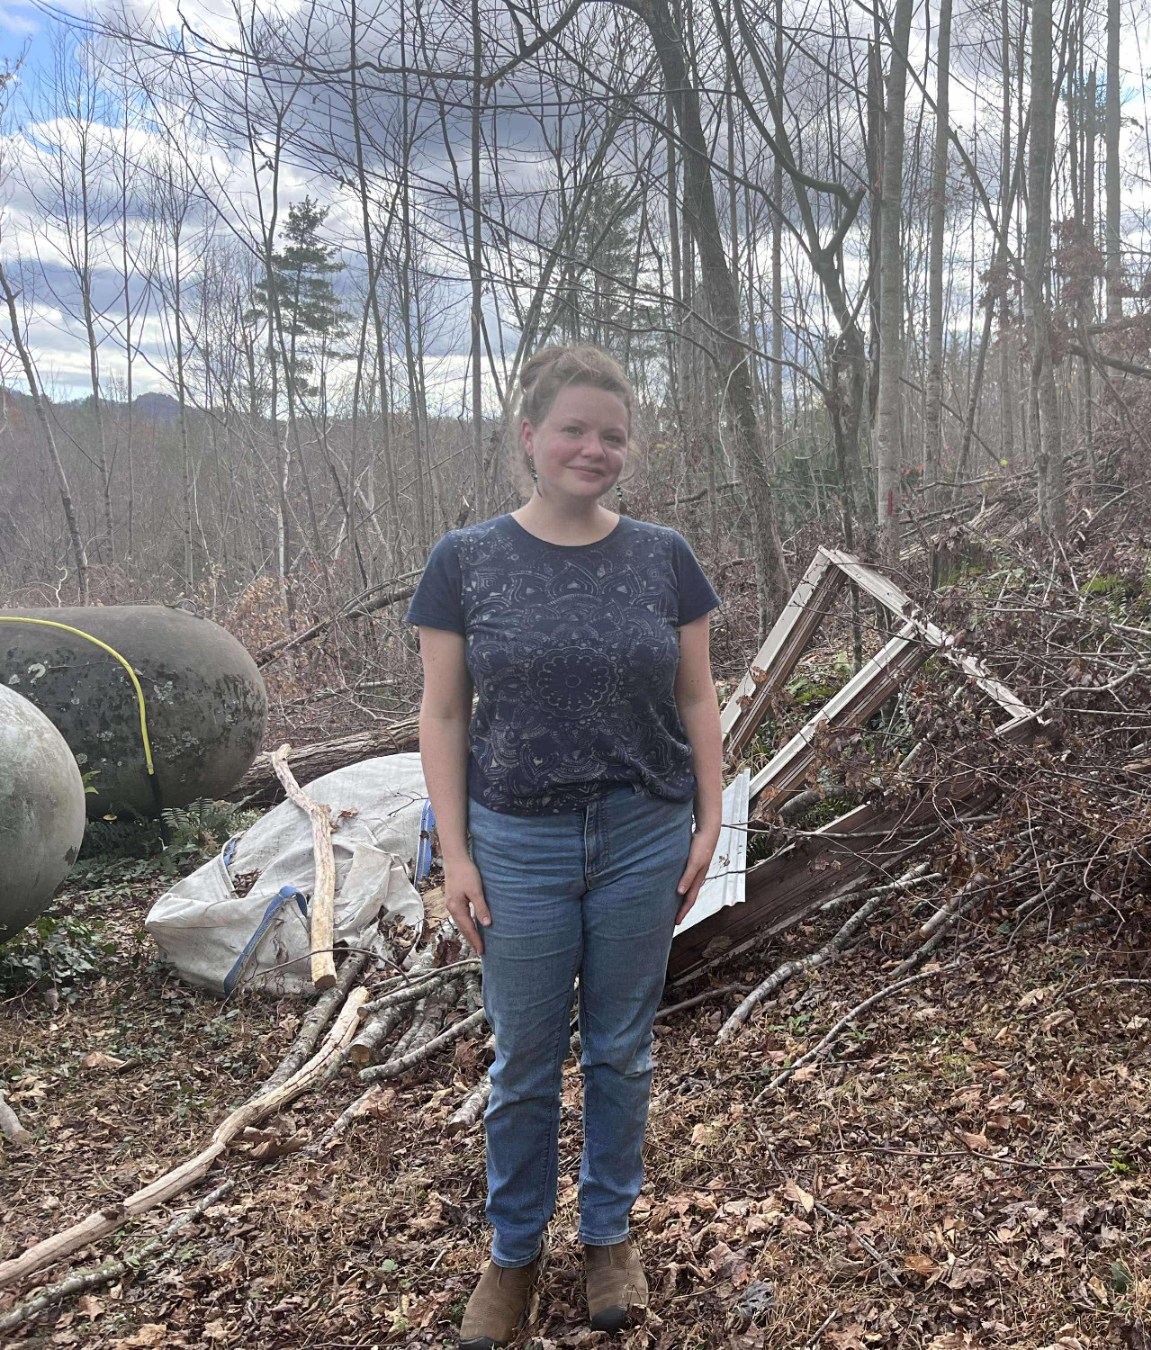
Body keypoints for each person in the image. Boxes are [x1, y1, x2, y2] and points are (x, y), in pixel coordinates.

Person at [406, 345, 723, 1348]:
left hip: (642, 831)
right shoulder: (466, 560)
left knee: (622, 1050)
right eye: (576, 429)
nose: (595, 449)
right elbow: (444, 713)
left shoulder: (663, 556)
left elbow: (696, 693)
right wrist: (455, 852)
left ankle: (607, 1236)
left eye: (613, 434)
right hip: (517, 843)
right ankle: (514, 1253)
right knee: (525, 1062)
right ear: (529, 438)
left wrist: (711, 817)